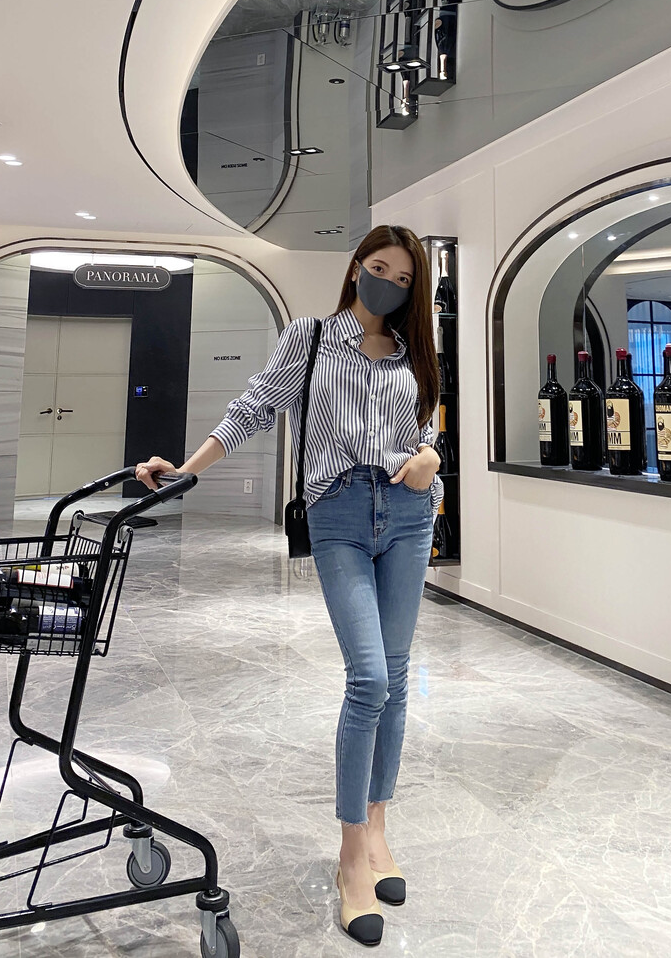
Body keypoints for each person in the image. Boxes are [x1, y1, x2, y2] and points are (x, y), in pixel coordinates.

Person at [137, 224, 443, 948]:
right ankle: (350, 856)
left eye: (404, 279)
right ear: (356, 268)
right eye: (380, 268)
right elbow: (252, 407)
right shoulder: (311, 339)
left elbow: (426, 428)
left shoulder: (413, 354)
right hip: (339, 514)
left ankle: (378, 829)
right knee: (369, 678)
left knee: (397, 676)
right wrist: (187, 469)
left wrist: (431, 456)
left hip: (408, 514)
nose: (389, 284)